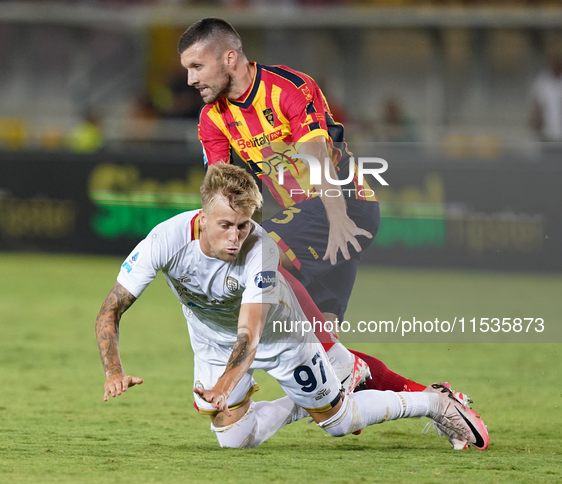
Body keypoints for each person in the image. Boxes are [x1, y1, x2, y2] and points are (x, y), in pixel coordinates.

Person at [176, 17, 479, 445]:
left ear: (229, 57)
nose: (190, 79)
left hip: (345, 210)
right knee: (324, 355)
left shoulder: (287, 88)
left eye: (196, 67)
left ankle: (262, 374)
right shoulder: (213, 119)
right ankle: (438, 400)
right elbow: (219, 189)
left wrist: (337, 219)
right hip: (308, 227)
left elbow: (319, 157)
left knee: (257, 257)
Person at [95, 163, 490, 450]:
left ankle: (435, 402)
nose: (236, 237)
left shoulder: (260, 250)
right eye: (226, 225)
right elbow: (110, 310)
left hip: (280, 334)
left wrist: (224, 385)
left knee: (338, 422)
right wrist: (114, 371)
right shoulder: (164, 241)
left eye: (244, 224)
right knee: (234, 440)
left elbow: (250, 333)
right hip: (211, 338)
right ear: (202, 217)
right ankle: (336, 375)